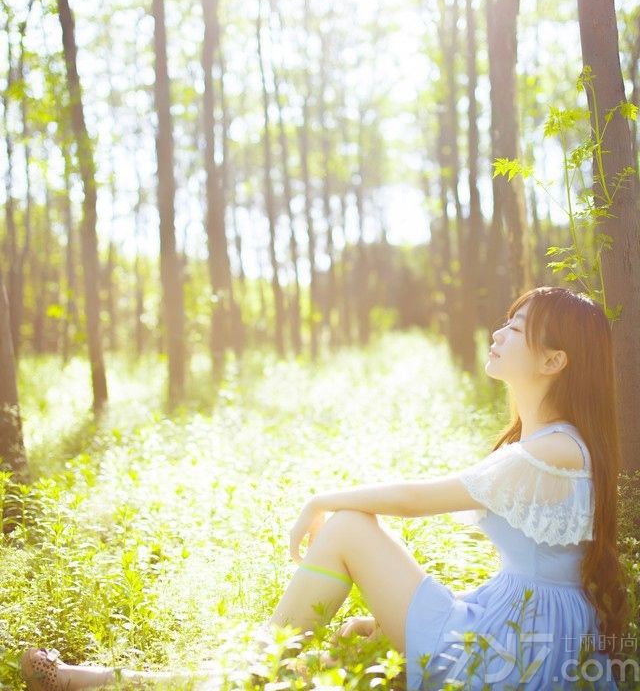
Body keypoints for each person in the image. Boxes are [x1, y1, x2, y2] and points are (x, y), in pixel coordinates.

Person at [22, 287, 630, 691]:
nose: (498, 333)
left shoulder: (554, 452)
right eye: (507, 321)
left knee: (346, 529)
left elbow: (416, 501)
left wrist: (323, 500)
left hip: (512, 654)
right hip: (510, 627)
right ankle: (125, 679)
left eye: (517, 328)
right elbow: (532, 576)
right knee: (327, 657)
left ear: (553, 362)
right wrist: (393, 619)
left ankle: (158, 678)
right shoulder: (550, 442)